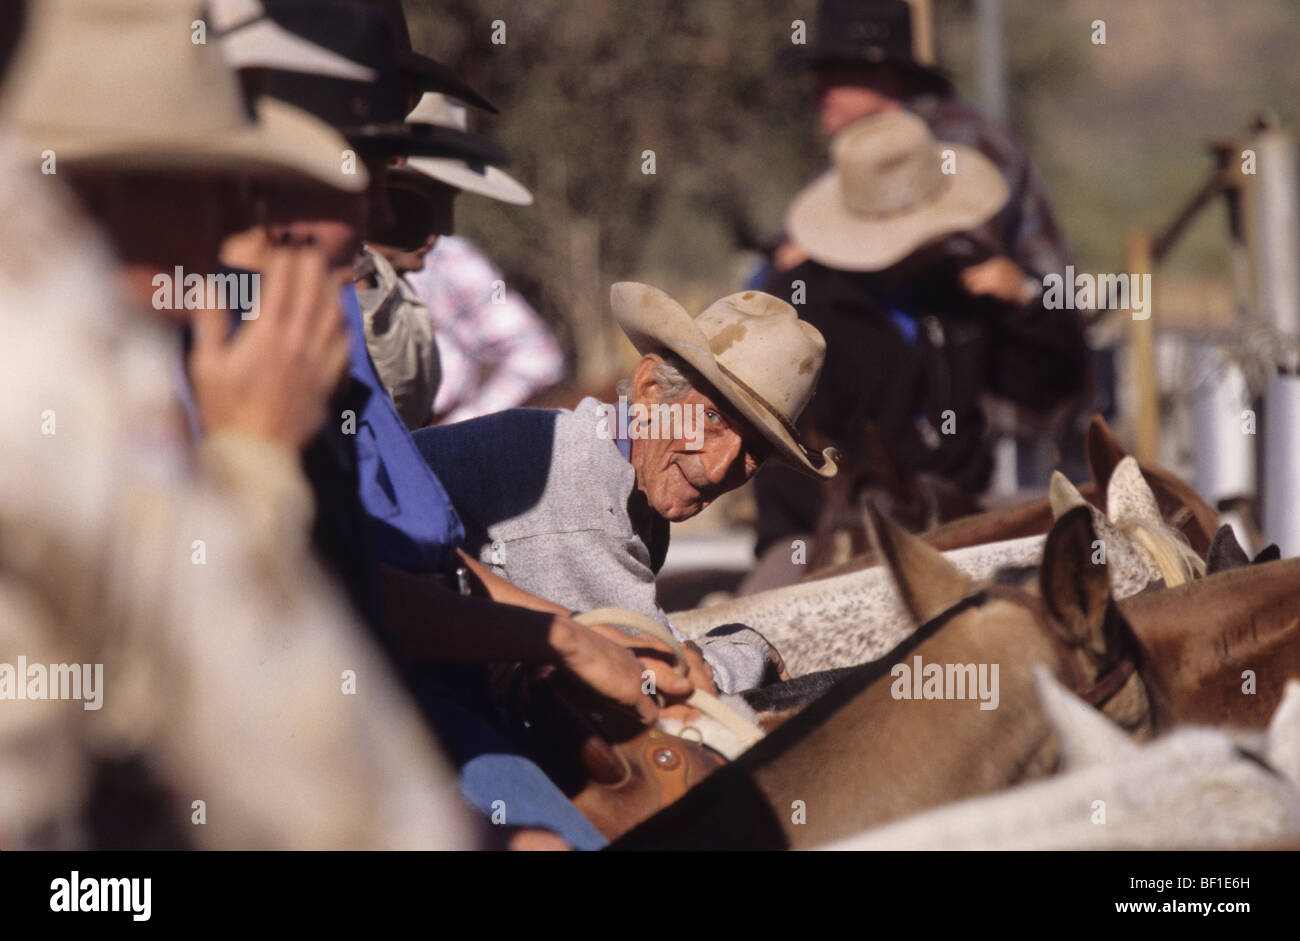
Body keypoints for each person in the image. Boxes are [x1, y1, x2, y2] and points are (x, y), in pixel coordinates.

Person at [216, 0, 704, 850]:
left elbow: (417, 556)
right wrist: (555, 635)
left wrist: (581, 637)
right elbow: (340, 585)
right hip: (370, 706)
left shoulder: (320, 298)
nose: (397, 170)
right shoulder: (237, 315)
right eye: (366, 144)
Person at [0, 0, 477, 849]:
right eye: (216, 183)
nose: (231, 224)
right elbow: (335, 797)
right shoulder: (70, 376)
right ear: (111, 193)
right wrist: (253, 463)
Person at [416, 285, 838, 694]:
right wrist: (749, 651)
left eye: (755, 451)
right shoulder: (581, 493)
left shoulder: (616, 460)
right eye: (712, 419)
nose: (718, 468)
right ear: (651, 392)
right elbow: (659, 679)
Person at [744, 111, 1088, 590]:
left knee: (1088, 535)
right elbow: (790, 450)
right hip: (828, 528)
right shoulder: (801, 301)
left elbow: (1048, 385)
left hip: (963, 513)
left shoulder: (961, 286)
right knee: (762, 629)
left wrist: (1025, 304)